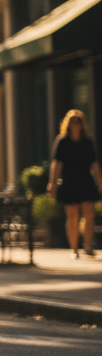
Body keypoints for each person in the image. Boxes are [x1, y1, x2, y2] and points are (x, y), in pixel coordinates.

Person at [49, 110, 102, 259]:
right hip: (69, 180)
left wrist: (100, 180)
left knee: (89, 215)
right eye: (72, 121)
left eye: (78, 121)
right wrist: (52, 183)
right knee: (72, 216)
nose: (75, 124)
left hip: (86, 180)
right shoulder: (62, 141)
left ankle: (88, 246)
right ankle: (74, 249)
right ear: (68, 124)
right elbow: (56, 163)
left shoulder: (87, 141)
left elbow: (94, 163)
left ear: (82, 124)